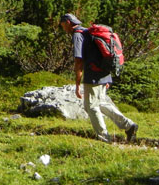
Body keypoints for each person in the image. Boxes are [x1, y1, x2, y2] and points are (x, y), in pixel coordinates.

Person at [59, 13, 138, 143]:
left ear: (68, 22)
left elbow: (79, 61)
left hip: (93, 75)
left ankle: (104, 138)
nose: (63, 29)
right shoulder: (88, 33)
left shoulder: (78, 35)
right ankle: (129, 126)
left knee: (90, 106)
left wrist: (78, 85)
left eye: (62, 25)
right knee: (100, 103)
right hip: (103, 73)